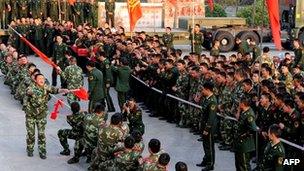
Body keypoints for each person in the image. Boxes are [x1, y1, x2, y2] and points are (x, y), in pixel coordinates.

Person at [24, 74, 68, 159]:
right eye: (39, 79)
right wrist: (32, 92)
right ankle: (30, 149)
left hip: (41, 114)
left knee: (41, 134)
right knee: (31, 134)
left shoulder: (46, 87)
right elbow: (28, 91)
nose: (41, 80)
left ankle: (42, 151)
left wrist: (64, 90)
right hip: (31, 115)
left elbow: (55, 90)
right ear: (35, 80)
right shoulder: (31, 87)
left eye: (43, 79)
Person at [196, 82, 217, 171]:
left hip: (209, 128)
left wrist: (207, 129)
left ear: (208, 90)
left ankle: (210, 164)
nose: (202, 91)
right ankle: (206, 160)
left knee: (209, 146)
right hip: (204, 125)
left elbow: (211, 117)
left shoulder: (212, 101)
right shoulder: (207, 99)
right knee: (205, 145)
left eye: (203, 89)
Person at [234, 97, 259, 171]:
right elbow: (237, 118)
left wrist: (245, 134)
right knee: (238, 163)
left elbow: (253, 128)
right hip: (239, 142)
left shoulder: (249, 115)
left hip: (245, 143)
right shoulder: (244, 111)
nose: (238, 104)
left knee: (244, 165)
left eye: (239, 103)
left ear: (242, 104)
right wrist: (238, 110)